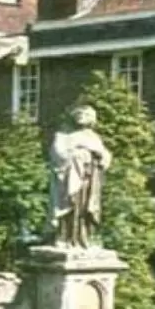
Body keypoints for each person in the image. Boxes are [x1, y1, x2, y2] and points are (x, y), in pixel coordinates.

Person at [49, 105, 112, 248]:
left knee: (85, 208)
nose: (81, 118)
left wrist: (101, 157)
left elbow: (104, 156)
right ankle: (65, 237)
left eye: (85, 115)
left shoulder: (94, 138)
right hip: (69, 180)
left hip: (88, 179)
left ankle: (84, 237)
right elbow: (58, 155)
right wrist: (78, 155)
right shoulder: (63, 136)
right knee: (69, 207)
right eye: (78, 115)